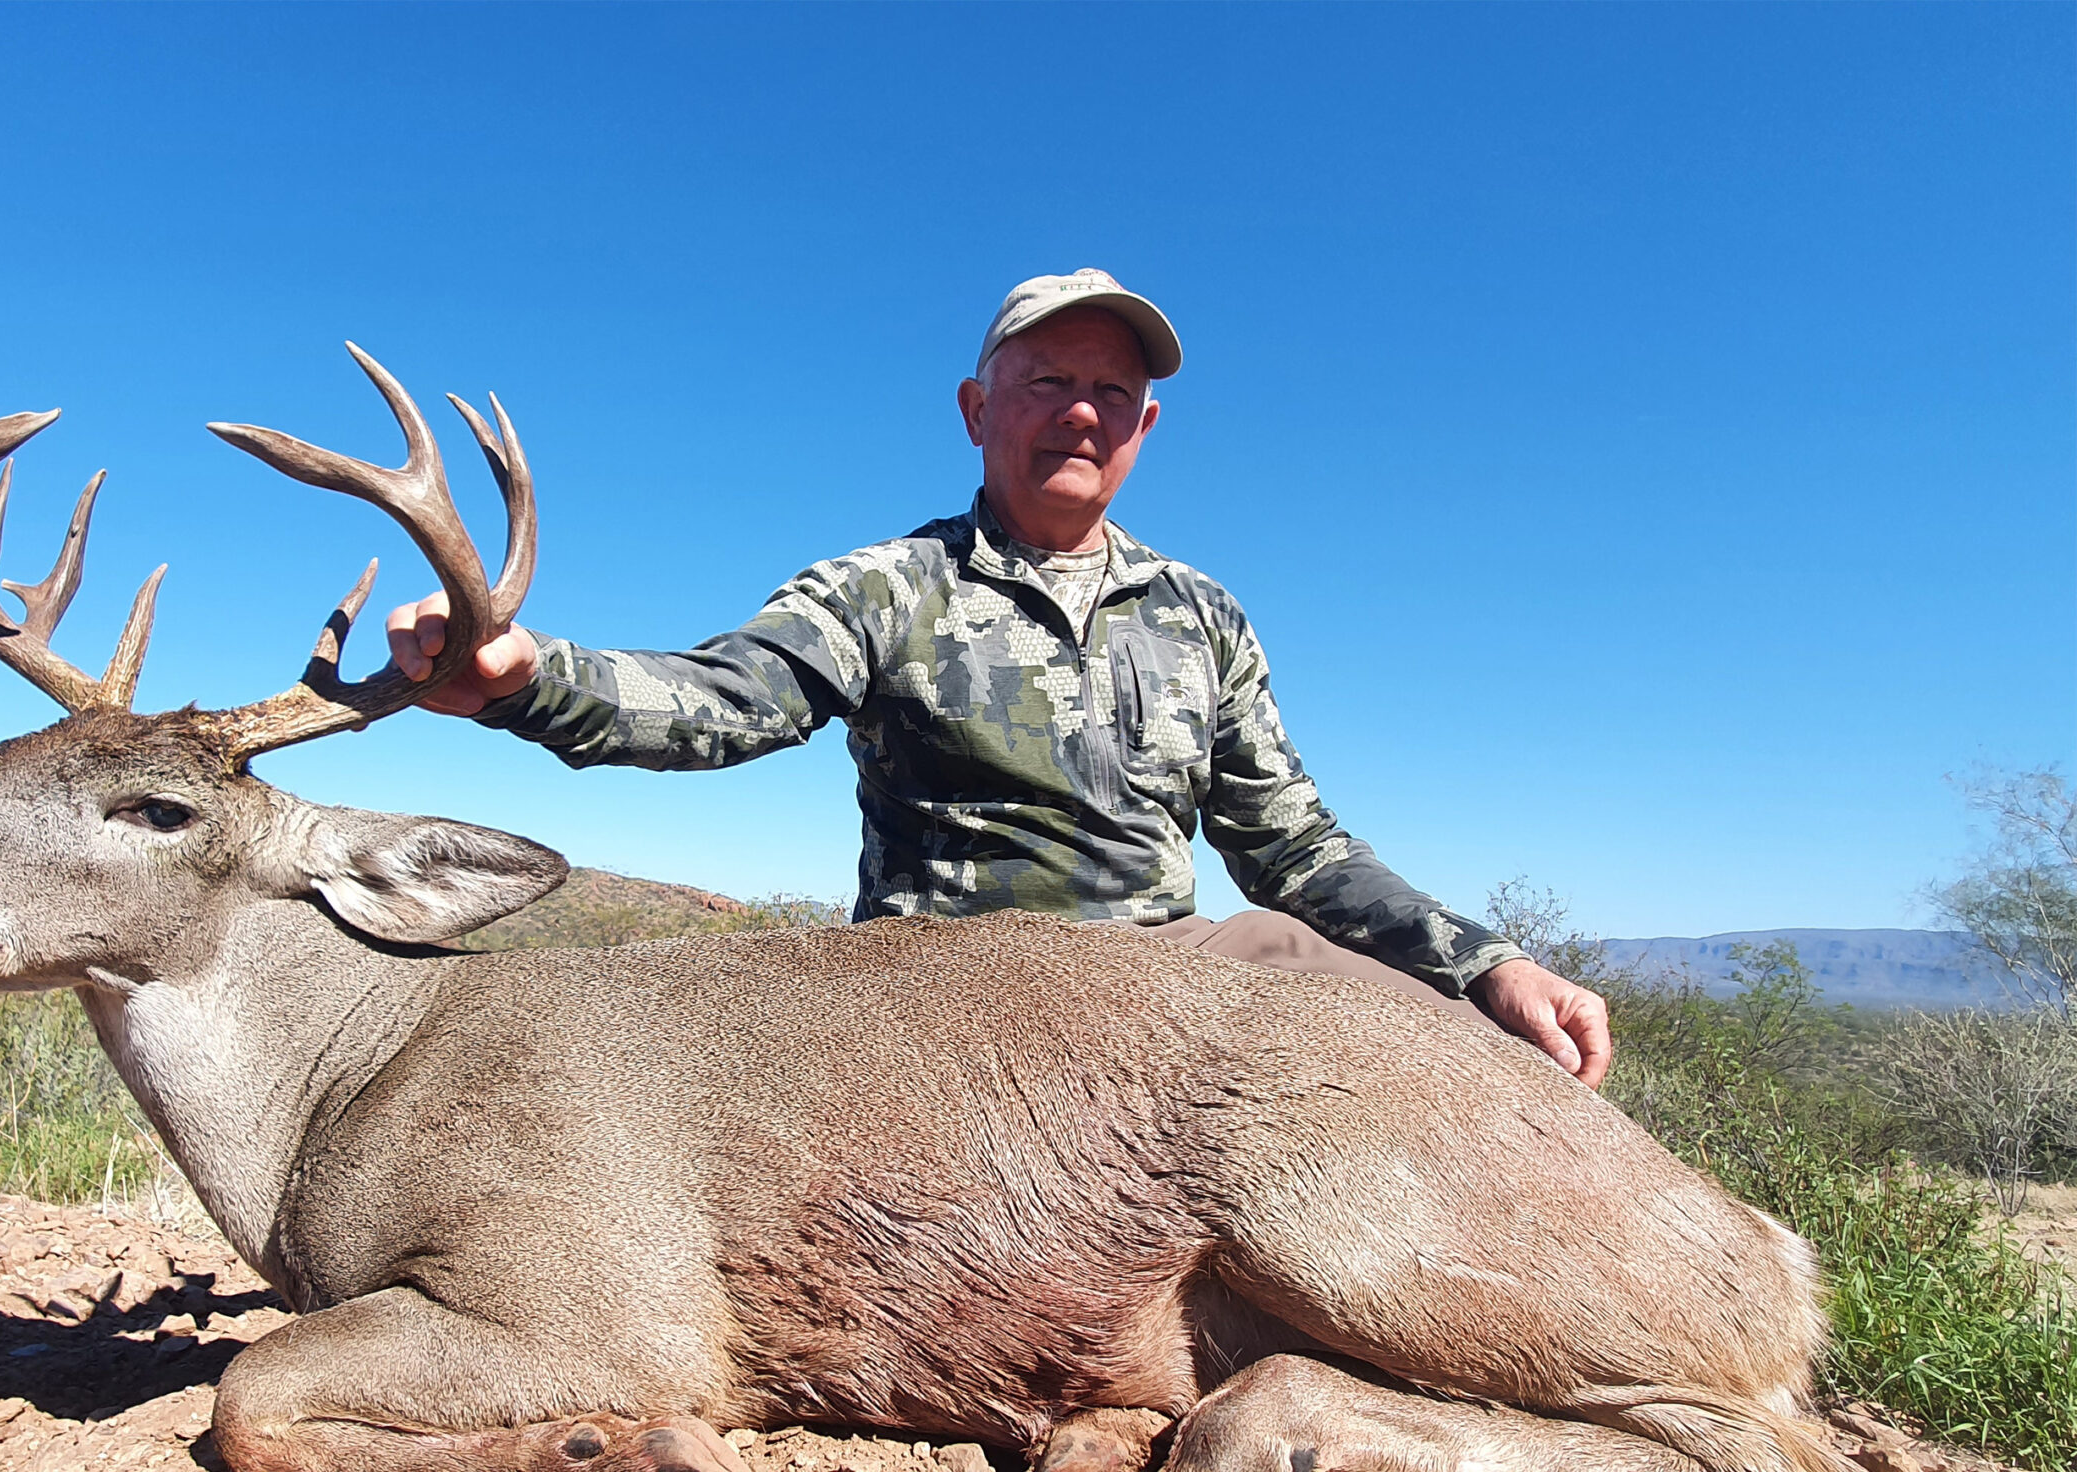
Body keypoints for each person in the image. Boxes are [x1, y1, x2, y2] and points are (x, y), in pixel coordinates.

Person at [385, 269, 1611, 1086]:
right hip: (946, 991)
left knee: (1469, 1055)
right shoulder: (888, 585)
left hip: (1171, 971)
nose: (1081, 413)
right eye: (1047, 383)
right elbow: (728, 700)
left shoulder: (1203, 615)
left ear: (1142, 429)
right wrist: (529, 676)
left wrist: (1489, 963)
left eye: (1111, 393)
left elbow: (1295, 848)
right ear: (978, 409)